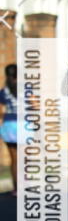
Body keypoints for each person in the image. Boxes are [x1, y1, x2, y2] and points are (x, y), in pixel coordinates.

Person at [0, 64, 18, 195]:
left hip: (9, 125)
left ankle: (16, 188)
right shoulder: (26, 89)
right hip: (24, 125)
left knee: (14, 159)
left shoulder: (4, 91)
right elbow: (35, 105)